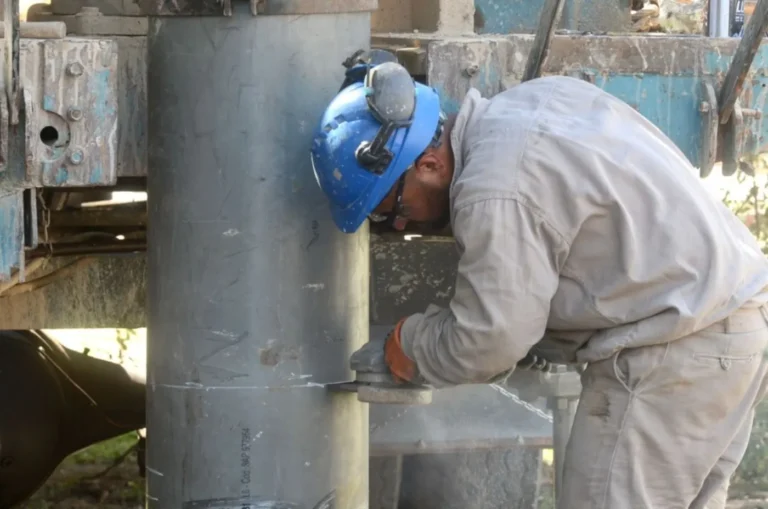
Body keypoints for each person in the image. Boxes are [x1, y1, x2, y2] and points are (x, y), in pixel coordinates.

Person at [309, 59, 768, 509]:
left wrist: (408, 343)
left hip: (674, 354)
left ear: (428, 165)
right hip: (734, 322)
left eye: (391, 209)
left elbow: (489, 339)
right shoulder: (536, 100)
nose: (401, 222)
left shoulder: (494, 189)